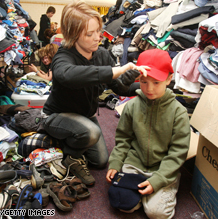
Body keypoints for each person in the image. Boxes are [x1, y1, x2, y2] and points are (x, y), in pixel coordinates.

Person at [41, 1, 149, 187]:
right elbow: (67, 75)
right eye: (89, 34)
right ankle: (71, 156)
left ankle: (71, 140)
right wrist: (113, 71)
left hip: (85, 116)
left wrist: (140, 81)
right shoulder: (63, 56)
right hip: (56, 116)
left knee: (100, 162)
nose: (97, 38)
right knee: (91, 133)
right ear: (73, 35)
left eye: (98, 31)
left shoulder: (101, 55)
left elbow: (119, 88)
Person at [106, 49, 191, 219]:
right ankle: (140, 194)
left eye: (156, 82)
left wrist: (158, 179)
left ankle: (154, 191)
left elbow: (178, 152)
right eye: (144, 82)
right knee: (124, 204)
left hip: (162, 168)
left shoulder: (178, 112)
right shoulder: (131, 106)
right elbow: (123, 139)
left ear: (168, 79)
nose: (149, 89)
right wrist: (115, 162)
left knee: (156, 213)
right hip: (134, 163)